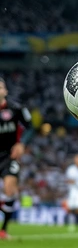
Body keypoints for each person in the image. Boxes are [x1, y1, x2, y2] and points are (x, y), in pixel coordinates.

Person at [0, 77, 33, 239]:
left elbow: (30, 127)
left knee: (10, 189)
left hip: (9, 155)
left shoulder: (16, 108)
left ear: (5, 91)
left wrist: (22, 144)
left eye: (0, 87)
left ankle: (3, 230)